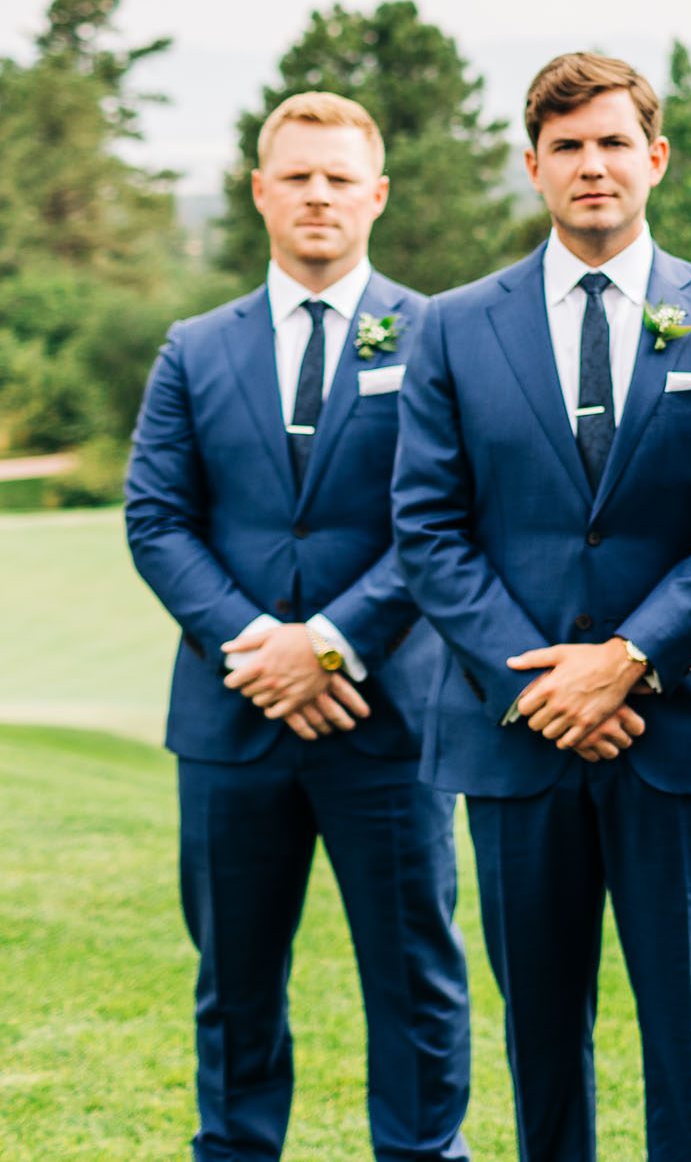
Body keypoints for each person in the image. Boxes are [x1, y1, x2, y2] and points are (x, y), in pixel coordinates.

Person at [393, 53, 691, 1161]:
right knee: (541, 1036)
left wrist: (630, 659)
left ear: (654, 157)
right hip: (516, 732)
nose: (591, 164)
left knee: (687, 1034)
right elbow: (427, 528)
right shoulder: (455, 328)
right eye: (567, 146)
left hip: (676, 722)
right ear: (532, 166)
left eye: (612, 142)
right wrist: (547, 679)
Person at [125, 91, 470, 1161]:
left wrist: (328, 642)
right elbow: (156, 516)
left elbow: (442, 518)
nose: (318, 193)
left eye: (339, 176)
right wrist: (261, 648)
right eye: (298, 175)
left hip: (386, 719)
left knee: (415, 977)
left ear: (375, 194)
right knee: (234, 982)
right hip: (230, 724)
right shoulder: (194, 348)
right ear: (261, 190)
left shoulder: (440, 337)